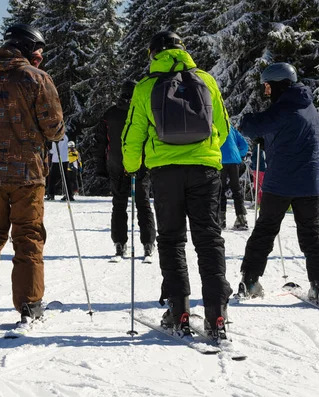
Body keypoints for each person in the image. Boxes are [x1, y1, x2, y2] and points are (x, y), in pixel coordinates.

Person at [121, 31, 233, 339]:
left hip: (165, 172)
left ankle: (179, 310)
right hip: (205, 169)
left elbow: (134, 133)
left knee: (171, 240)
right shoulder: (206, 81)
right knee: (208, 239)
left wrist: (133, 167)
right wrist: (205, 150)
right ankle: (216, 315)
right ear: (183, 50)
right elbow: (222, 127)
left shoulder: (146, 87)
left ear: (153, 54)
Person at [0, 23, 65, 326]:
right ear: (28, 48)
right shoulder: (37, 79)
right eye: (39, 50)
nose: (41, 55)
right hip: (27, 174)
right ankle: (30, 306)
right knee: (28, 237)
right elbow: (54, 128)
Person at [236, 62, 319, 302]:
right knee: (311, 233)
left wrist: (252, 123)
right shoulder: (309, 107)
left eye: (268, 87)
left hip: (280, 182)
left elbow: (250, 126)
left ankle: (250, 281)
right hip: (309, 183)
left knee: (265, 230)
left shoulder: (283, 108)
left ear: (279, 84)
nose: (266, 92)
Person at [94, 80, 156, 258]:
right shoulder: (143, 111)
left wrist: (100, 166)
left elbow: (100, 142)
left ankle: (120, 243)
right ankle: (148, 243)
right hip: (139, 164)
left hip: (117, 163)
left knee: (119, 204)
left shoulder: (111, 113)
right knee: (143, 203)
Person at [220, 125, 249, 229]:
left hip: (220, 159)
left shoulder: (213, 125)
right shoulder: (231, 128)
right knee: (236, 189)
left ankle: (220, 218)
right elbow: (244, 145)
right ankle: (241, 219)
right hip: (234, 160)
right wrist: (239, 154)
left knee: (220, 189)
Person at [47, 134, 72, 201]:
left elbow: (54, 150)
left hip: (56, 159)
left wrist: (49, 151)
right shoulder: (65, 136)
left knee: (52, 177)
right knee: (65, 177)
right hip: (65, 159)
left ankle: (51, 194)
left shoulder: (55, 136)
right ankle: (69, 195)